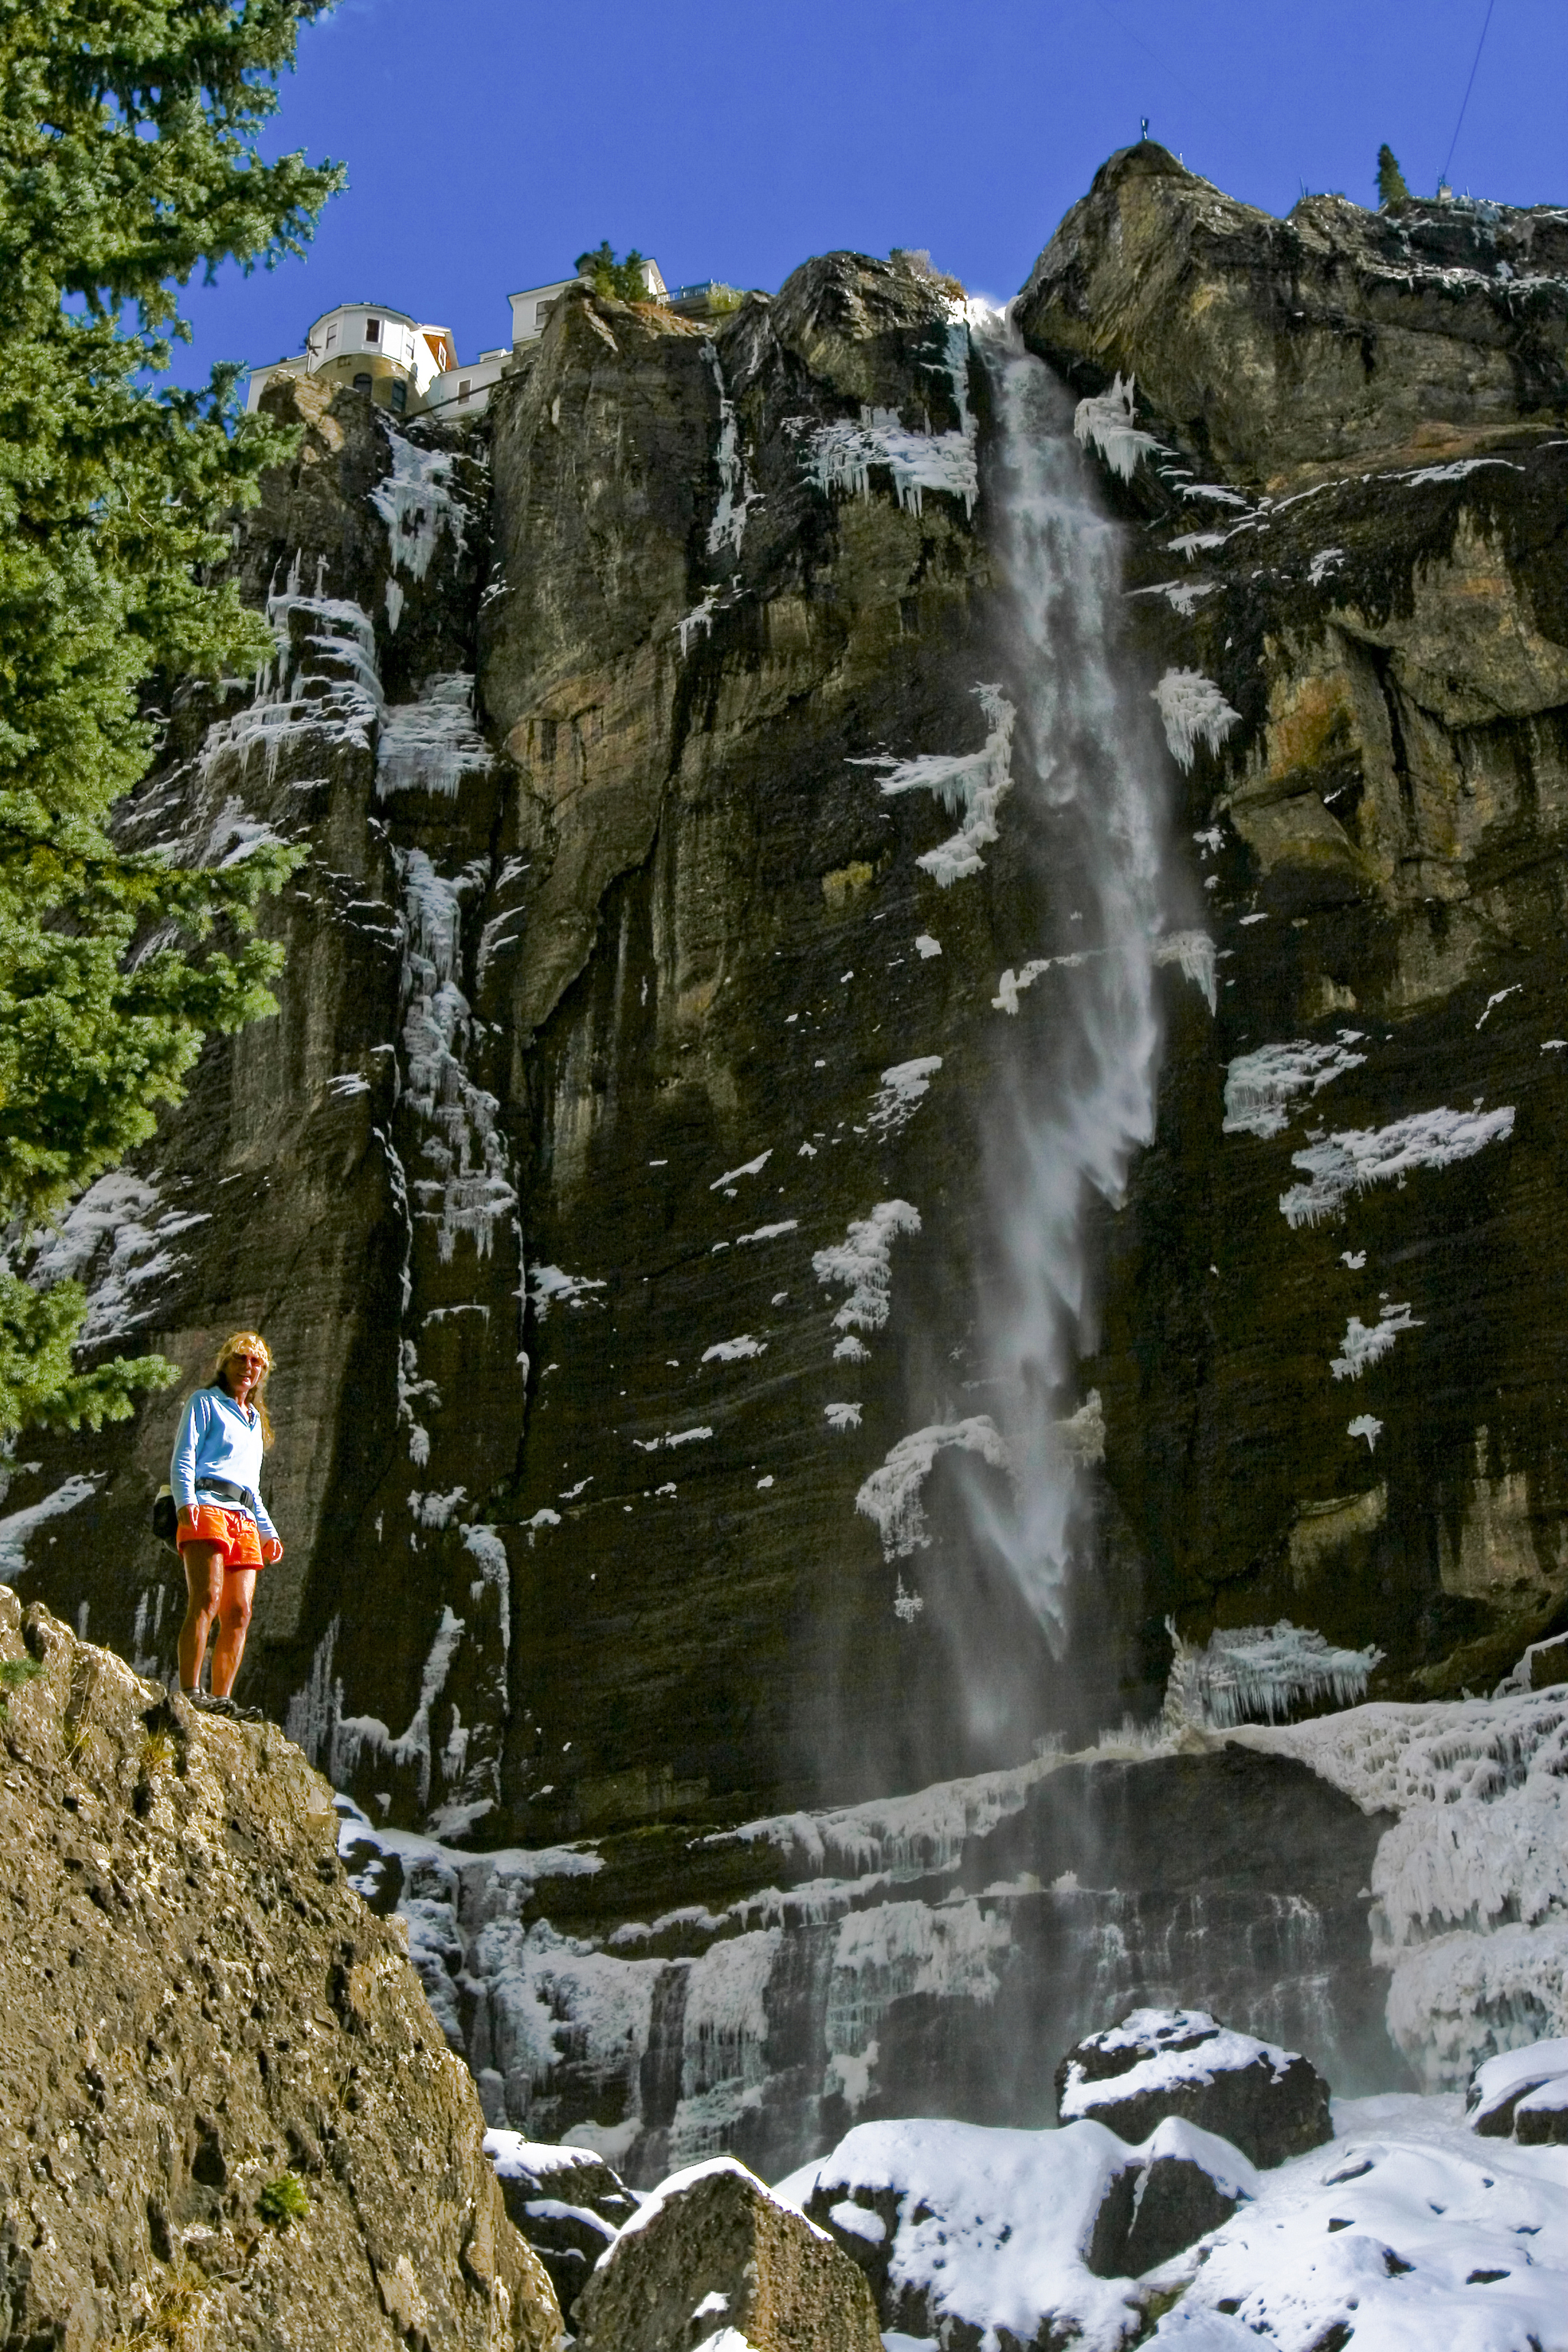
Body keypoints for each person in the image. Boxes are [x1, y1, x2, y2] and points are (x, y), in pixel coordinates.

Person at [170, 1330, 283, 1719]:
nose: (248, 1367)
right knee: (206, 1598)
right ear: (226, 1363)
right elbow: (185, 1454)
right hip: (207, 1505)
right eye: (241, 1358)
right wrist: (185, 1502)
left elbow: (252, 1488)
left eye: (256, 1362)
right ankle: (191, 1690)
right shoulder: (205, 1403)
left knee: (239, 1612)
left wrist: (268, 1532)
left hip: (245, 1519)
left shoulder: (255, 1422)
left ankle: (222, 1700)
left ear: (262, 1372)